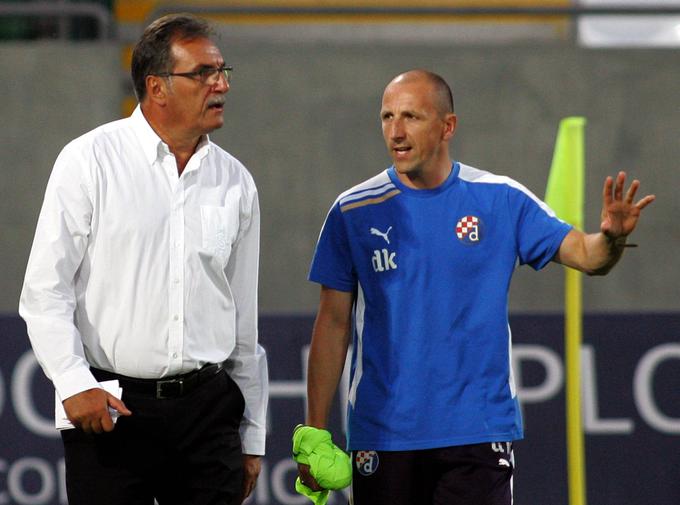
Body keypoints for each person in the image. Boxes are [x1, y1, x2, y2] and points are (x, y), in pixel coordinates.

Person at [298, 69, 654, 505]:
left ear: (447, 126)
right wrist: (314, 434)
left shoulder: (500, 199)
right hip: (384, 434)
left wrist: (612, 237)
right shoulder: (352, 210)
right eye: (387, 116)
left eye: (411, 116)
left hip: (477, 431)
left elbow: (587, 255)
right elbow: (332, 323)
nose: (396, 131)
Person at [19, 14, 267, 505]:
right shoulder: (88, 160)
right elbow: (45, 292)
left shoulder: (236, 181)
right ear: (156, 87)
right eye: (202, 73)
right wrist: (73, 383)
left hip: (208, 414)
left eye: (222, 71)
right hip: (110, 408)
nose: (220, 84)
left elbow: (243, 321)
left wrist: (252, 434)